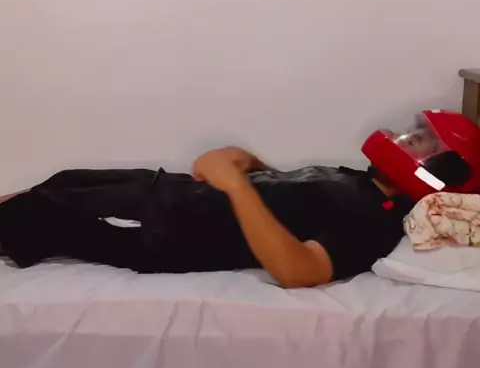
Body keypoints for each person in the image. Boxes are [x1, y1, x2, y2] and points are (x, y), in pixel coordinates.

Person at [1, 110, 480, 287]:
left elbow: (299, 271)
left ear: (440, 171)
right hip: (172, 193)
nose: (405, 138)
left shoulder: (375, 219)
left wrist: (234, 186)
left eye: (421, 141)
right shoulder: (357, 182)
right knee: (64, 181)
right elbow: (290, 199)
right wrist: (251, 166)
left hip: (169, 230)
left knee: (41, 214)